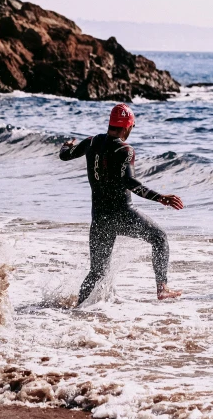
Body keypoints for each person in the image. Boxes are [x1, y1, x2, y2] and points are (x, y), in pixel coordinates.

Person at [59, 103, 184, 305]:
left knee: (97, 272)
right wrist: (161, 197)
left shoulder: (92, 142)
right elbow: (129, 182)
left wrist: (67, 144)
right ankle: (162, 288)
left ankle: (77, 309)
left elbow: (65, 155)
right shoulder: (125, 150)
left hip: (99, 219)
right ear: (127, 126)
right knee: (159, 238)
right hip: (123, 215)